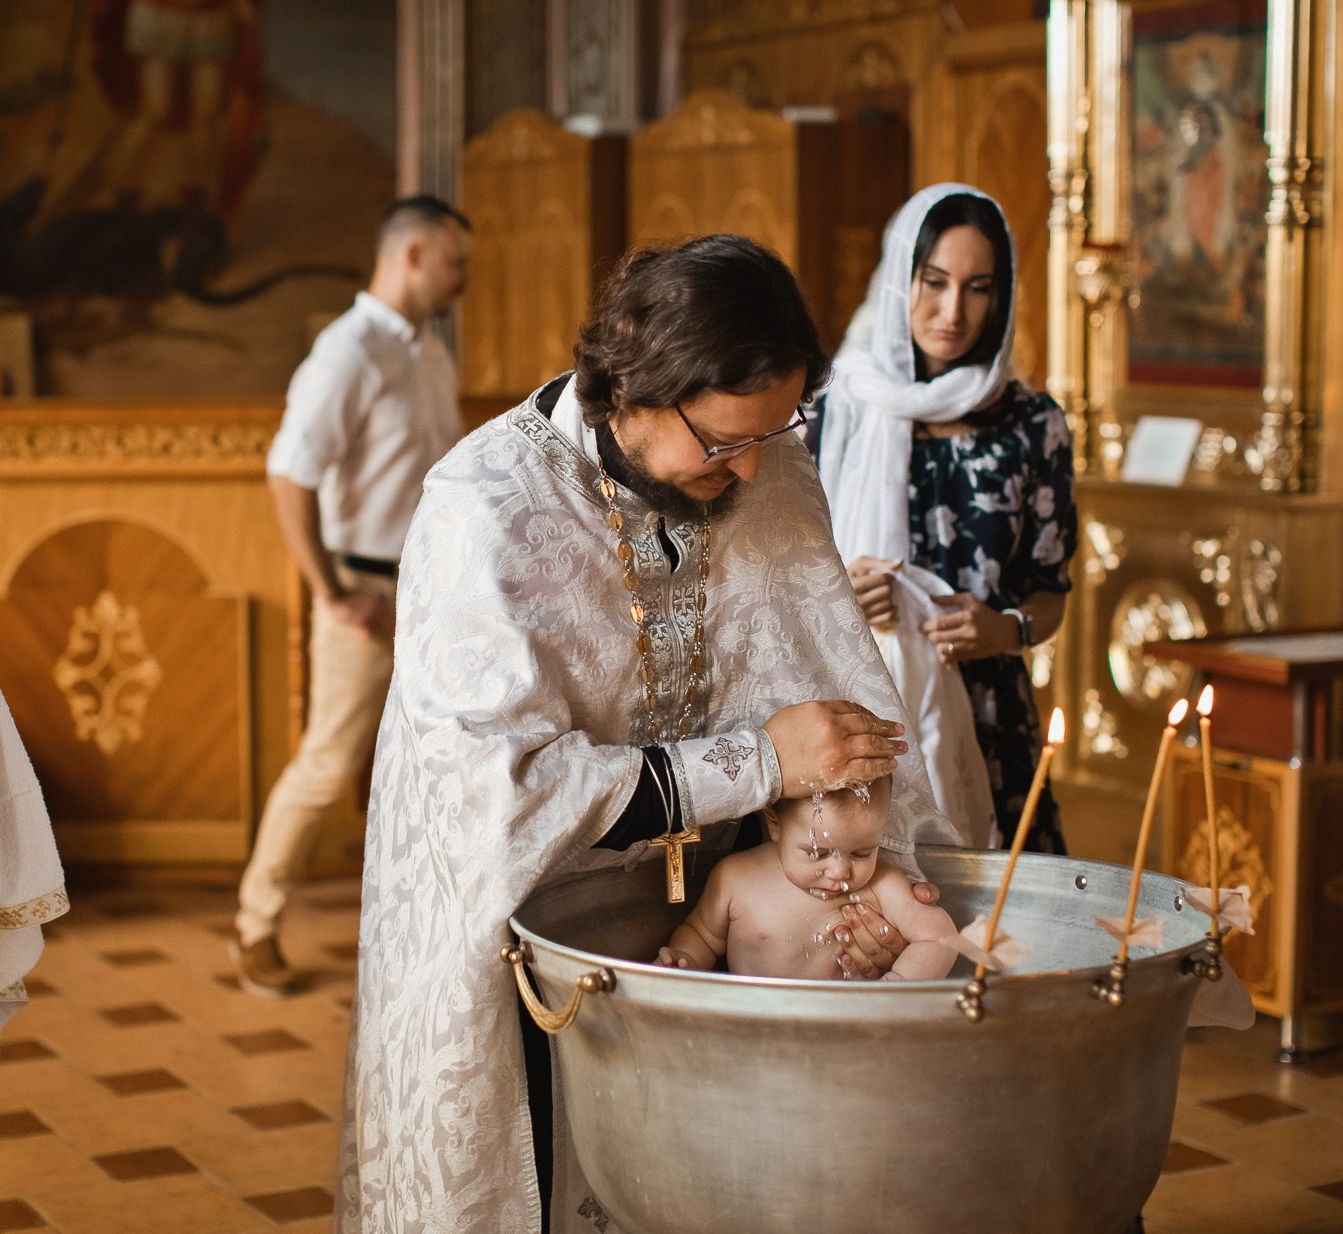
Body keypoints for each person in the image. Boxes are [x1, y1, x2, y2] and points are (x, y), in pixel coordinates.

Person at [338, 235, 960, 1234]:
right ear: (630, 390)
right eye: (720, 442)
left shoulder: (766, 464)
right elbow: (504, 795)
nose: (750, 465)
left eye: (774, 429)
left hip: (720, 939)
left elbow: (831, 699)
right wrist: (759, 760)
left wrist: (859, 878)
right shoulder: (484, 506)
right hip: (526, 944)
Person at [231, 194, 469, 994]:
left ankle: (429, 925)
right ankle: (253, 922)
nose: (461, 278)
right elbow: (287, 472)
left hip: (432, 589)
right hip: (363, 591)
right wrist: (331, 595)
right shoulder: (349, 351)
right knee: (331, 762)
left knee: (438, 758)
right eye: (454, 261)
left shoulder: (430, 353)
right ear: (410, 255)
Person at [816, 183, 1079, 855]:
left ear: (1003, 296)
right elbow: (779, 574)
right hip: (869, 716)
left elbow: (1050, 591)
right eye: (933, 281)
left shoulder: (1033, 425)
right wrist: (841, 592)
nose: (952, 311)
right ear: (899, 275)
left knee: (1001, 937)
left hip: (992, 718)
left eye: (978, 287)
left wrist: (1005, 628)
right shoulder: (832, 410)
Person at [655, 777, 959, 980]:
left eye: (863, 852)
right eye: (817, 853)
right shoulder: (735, 878)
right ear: (775, 824)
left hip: (846, 1035)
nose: (841, 872)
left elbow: (940, 937)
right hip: (750, 1027)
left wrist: (895, 988)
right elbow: (702, 936)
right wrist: (684, 961)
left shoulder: (881, 884)